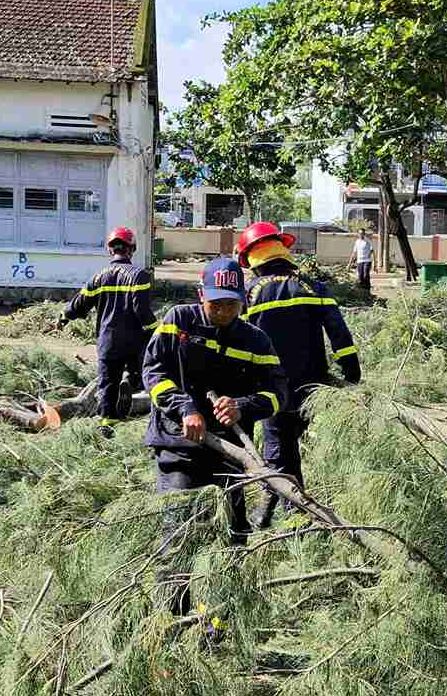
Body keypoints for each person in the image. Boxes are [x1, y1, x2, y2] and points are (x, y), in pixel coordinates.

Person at [142, 257, 290, 611]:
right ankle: (171, 617)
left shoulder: (255, 339)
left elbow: (278, 392)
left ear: (243, 301)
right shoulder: (178, 320)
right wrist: (185, 408)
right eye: (216, 304)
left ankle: (221, 619)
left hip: (228, 455)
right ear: (201, 296)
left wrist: (244, 406)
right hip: (179, 448)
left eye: (231, 305)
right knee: (180, 535)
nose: (223, 312)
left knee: (233, 536)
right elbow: (153, 373)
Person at [236, 222, 362, 529]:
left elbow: (237, 340)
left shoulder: (249, 295)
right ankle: (288, 508)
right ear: (282, 251)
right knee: (288, 444)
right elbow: (340, 335)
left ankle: (280, 509)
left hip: (270, 387)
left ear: (253, 259)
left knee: (278, 445)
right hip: (312, 384)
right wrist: (351, 374)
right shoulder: (313, 288)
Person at [59, 225, 159, 437]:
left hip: (107, 341)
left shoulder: (98, 277)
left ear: (110, 249)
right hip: (133, 341)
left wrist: (63, 317)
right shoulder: (140, 275)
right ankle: (128, 381)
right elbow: (142, 311)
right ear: (132, 249)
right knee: (140, 374)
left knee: (106, 384)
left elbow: (79, 304)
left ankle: (107, 425)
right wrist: (157, 332)